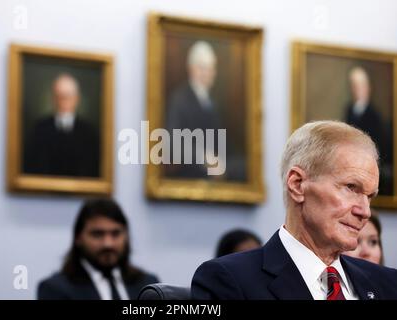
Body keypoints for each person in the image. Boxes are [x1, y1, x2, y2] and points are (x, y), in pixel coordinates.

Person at [192, 120, 397, 300]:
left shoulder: (389, 284)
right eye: (351, 188)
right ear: (297, 185)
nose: (365, 211)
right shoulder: (229, 281)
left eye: (370, 196)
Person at [37, 199, 159, 300]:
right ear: (78, 238)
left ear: (126, 236)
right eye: (97, 234)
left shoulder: (148, 286)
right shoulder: (55, 289)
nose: (108, 244)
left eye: (115, 234)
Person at [24, 73, 100, 177]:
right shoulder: (40, 129)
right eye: (59, 96)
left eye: (67, 96)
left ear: (76, 99)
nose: (63, 101)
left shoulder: (88, 132)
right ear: (53, 98)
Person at [165, 40, 223, 179]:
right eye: (202, 68)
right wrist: (203, 158)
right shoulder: (179, 99)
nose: (207, 73)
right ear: (191, 69)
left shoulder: (213, 101)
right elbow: (173, 142)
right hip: (187, 178)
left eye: (210, 68)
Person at [344, 66, 393, 194]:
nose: (357, 89)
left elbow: (379, 147)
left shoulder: (374, 115)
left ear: (367, 88)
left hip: (366, 165)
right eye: (354, 86)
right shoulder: (349, 110)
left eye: (360, 85)